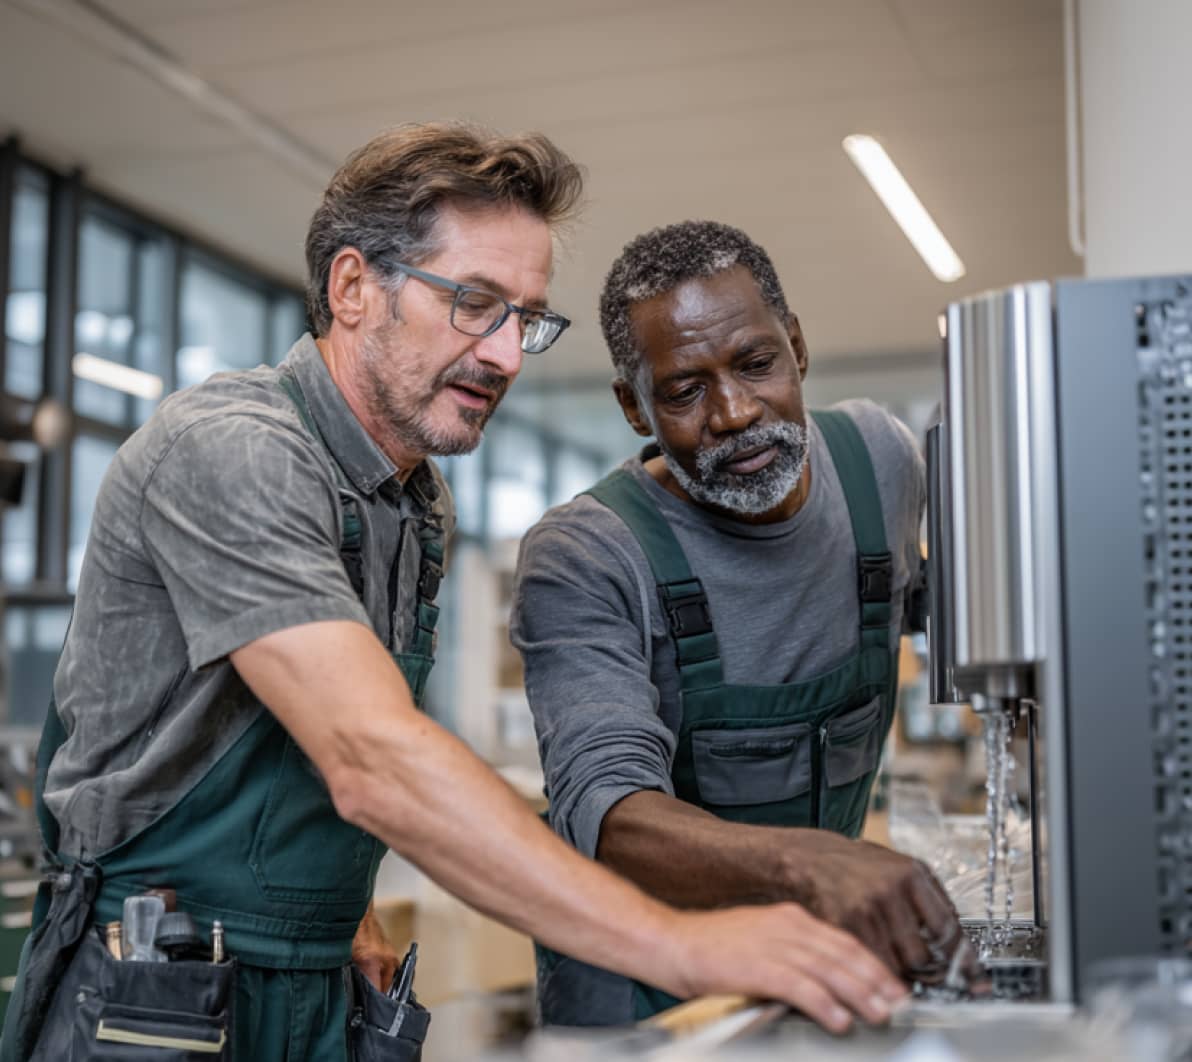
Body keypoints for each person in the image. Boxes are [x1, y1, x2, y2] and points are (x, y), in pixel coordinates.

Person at [0, 129, 906, 1062]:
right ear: (353, 288)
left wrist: (331, 913)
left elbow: (303, 731)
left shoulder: (417, 498)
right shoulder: (232, 450)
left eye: (527, 319)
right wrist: (678, 941)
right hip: (155, 992)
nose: (508, 356)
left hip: (314, 980)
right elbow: (370, 755)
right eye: (475, 306)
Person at [511, 220, 976, 1026]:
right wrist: (816, 867)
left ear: (796, 345)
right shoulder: (588, 554)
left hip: (810, 962)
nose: (733, 412)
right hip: (642, 991)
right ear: (633, 406)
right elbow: (609, 811)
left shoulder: (880, 465)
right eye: (685, 390)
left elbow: (948, 623)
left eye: (757, 364)